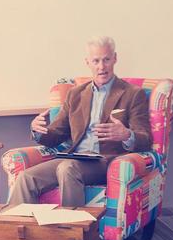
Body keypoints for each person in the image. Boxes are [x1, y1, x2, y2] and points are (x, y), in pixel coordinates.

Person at [9, 37, 153, 208]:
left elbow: (145, 138)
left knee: (67, 169)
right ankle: (21, 232)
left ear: (115, 58)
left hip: (106, 162)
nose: (102, 66)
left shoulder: (132, 94)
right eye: (96, 61)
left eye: (106, 59)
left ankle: (73, 232)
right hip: (75, 157)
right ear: (88, 62)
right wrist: (38, 130)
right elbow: (57, 133)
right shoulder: (75, 94)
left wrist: (127, 135)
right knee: (26, 178)